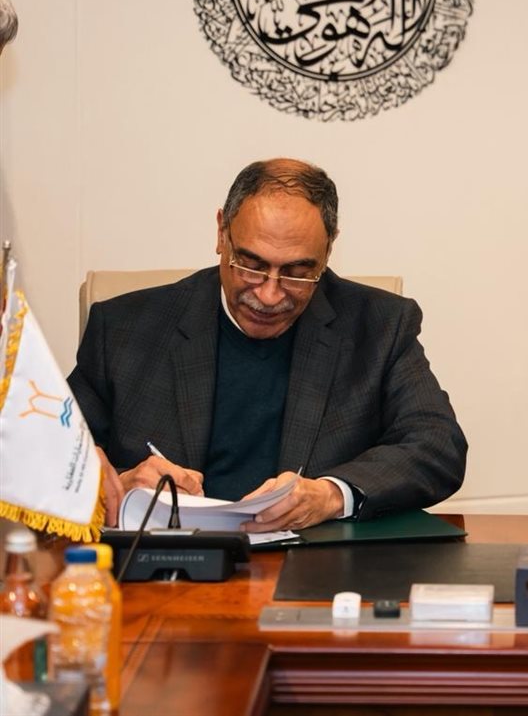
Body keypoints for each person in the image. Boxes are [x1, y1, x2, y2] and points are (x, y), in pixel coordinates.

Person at [68, 159, 467, 532]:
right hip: (166, 560)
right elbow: (50, 450)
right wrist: (117, 482)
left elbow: (438, 445)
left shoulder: (379, 326)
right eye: (251, 266)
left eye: (297, 272)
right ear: (221, 233)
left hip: (314, 566)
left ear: (328, 250)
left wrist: (330, 495)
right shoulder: (124, 328)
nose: (269, 295)